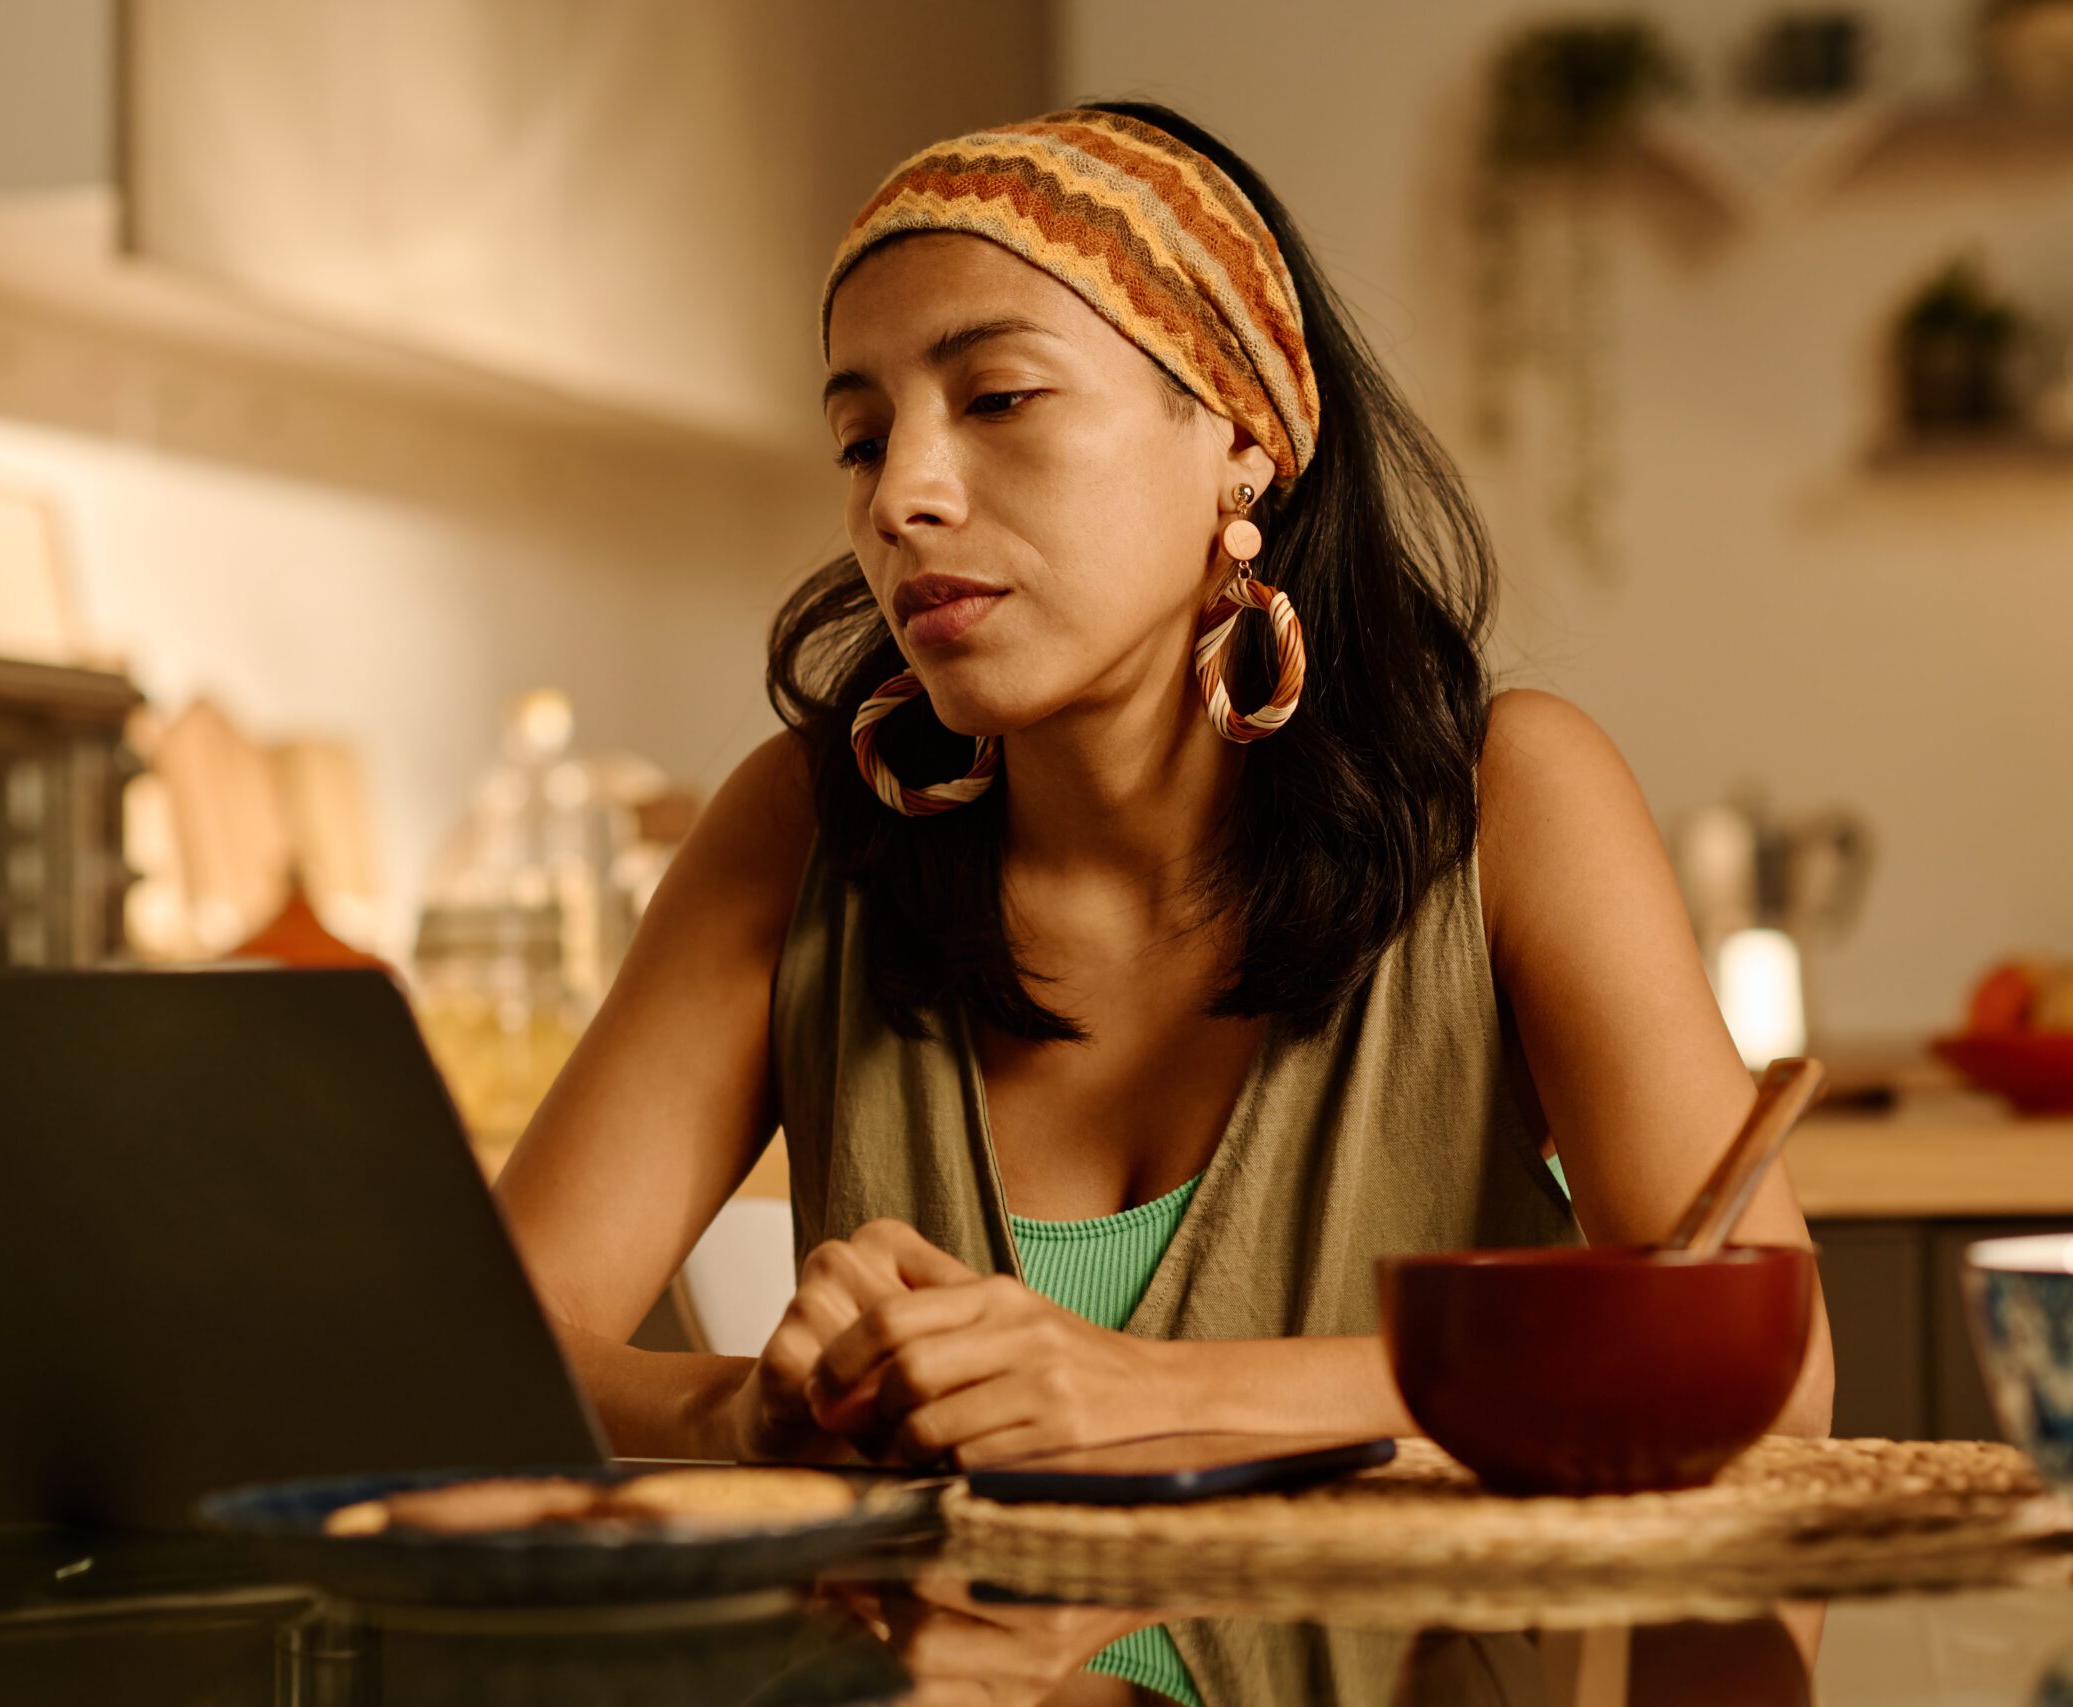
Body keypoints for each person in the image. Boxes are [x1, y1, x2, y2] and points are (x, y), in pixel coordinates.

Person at [494, 99, 1835, 1479]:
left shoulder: (1509, 801)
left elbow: (1775, 1389)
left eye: (999, 397)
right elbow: (475, 1347)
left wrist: (1157, 1392)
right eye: (860, 437)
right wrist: (745, 1415)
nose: (903, 494)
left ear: (1242, 434)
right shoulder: (801, 830)